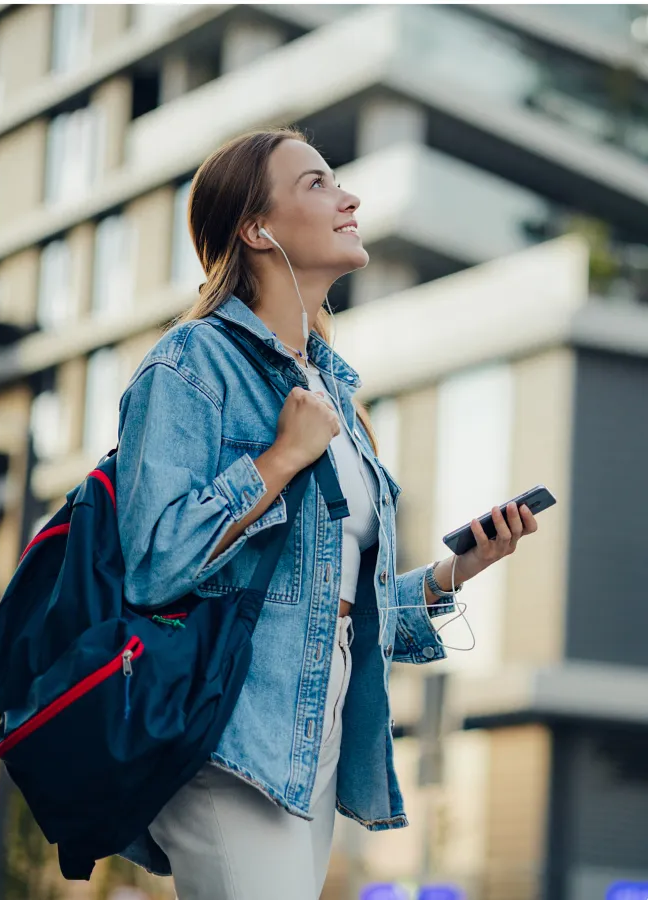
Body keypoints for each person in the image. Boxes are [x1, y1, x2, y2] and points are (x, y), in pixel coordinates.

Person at [114, 127, 539, 900]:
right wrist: (278, 460)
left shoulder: (334, 388)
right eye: (317, 183)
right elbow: (154, 559)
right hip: (230, 737)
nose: (350, 197)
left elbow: (333, 605)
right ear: (257, 228)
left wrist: (455, 571)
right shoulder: (189, 364)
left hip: (314, 736)